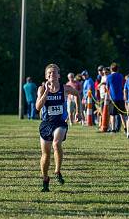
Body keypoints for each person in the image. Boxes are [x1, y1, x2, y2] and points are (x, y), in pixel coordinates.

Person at [36, 64, 81, 192]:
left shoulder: (65, 88)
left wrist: (79, 112)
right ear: (46, 76)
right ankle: (45, 179)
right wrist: (46, 93)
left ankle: (57, 171)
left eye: (54, 72)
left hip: (60, 122)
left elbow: (77, 94)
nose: (52, 75)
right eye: (49, 73)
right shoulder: (41, 89)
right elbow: (38, 107)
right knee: (45, 154)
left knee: (56, 143)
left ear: (59, 75)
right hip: (46, 124)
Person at [106, 63, 126, 133]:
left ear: (111, 69)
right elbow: (123, 85)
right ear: (118, 69)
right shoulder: (121, 76)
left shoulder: (109, 77)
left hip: (113, 98)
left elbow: (107, 87)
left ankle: (113, 129)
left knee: (112, 114)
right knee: (122, 114)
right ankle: (125, 128)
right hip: (120, 97)